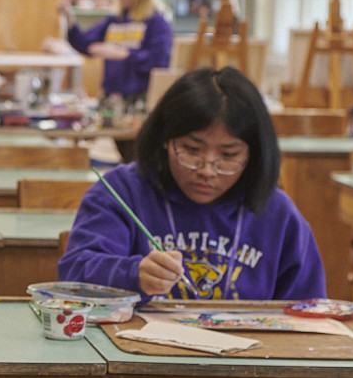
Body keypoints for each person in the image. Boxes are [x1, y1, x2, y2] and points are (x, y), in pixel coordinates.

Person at [58, 66, 326, 301]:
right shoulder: (122, 193)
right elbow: (74, 275)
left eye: (229, 155)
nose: (207, 170)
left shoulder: (277, 214)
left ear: (253, 153)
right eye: (191, 149)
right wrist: (133, 275)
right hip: (139, 356)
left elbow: (309, 311)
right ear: (165, 137)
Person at [58, 0, 173, 106]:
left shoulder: (157, 23)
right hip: (110, 98)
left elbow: (159, 62)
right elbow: (85, 44)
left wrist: (124, 54)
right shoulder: (114, 21)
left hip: (140, 99)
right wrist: (70, 18)